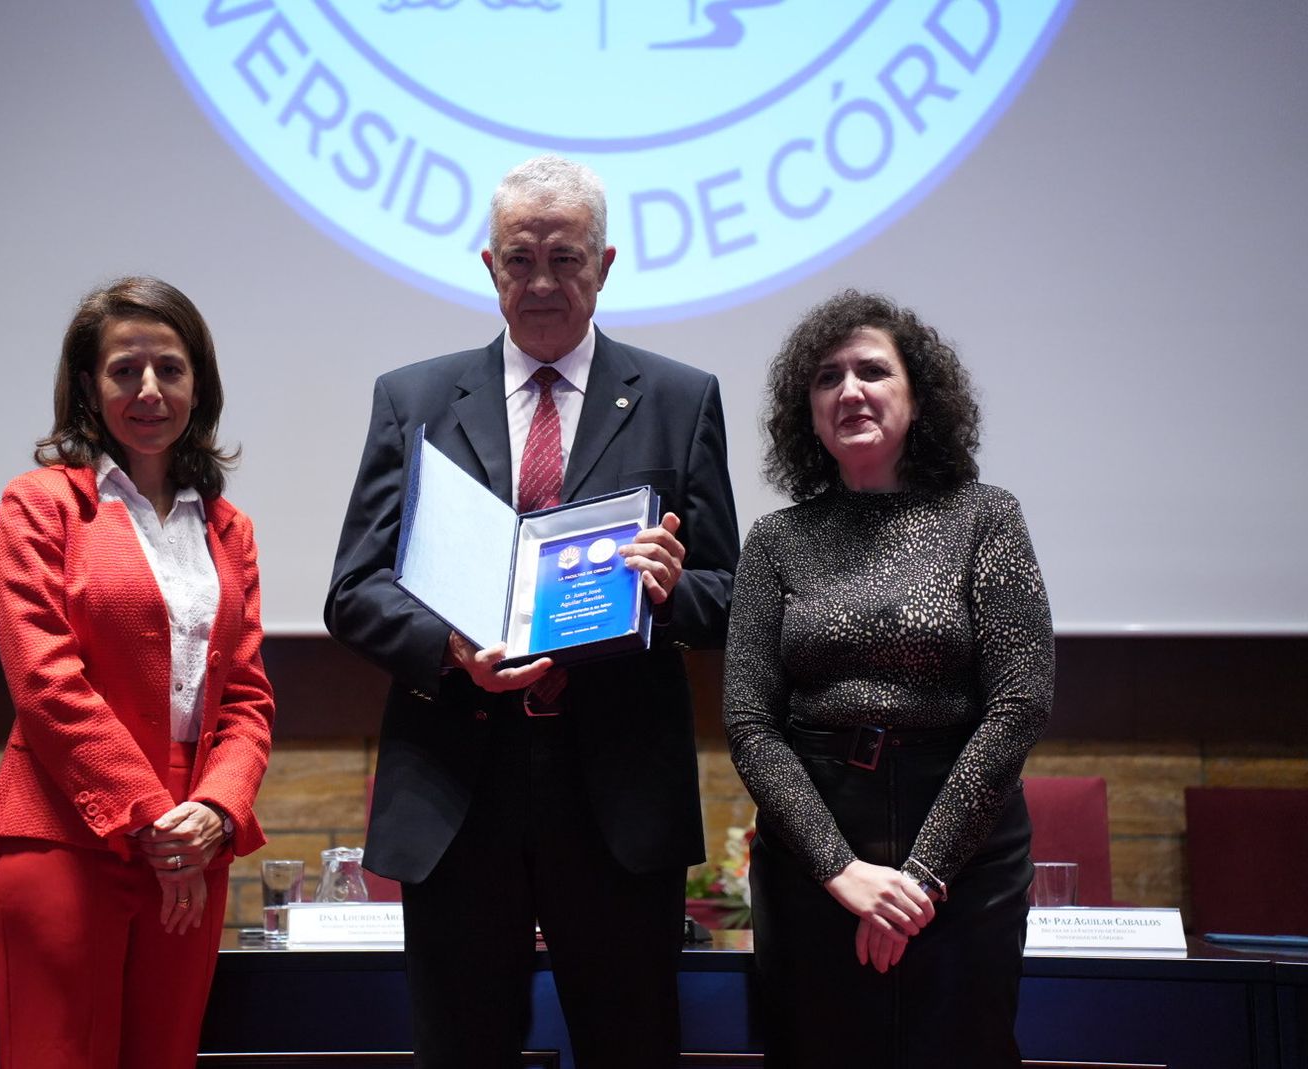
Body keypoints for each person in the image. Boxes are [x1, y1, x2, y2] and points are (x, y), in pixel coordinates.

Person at [325, 154, 739, 1068]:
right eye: (521, 260)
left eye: (566, 258)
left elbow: (728, 596)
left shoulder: (680, 397)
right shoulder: (416, 399)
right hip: (459, 787)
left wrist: (669, 589)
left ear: (606, 264)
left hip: (617, 795)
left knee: (631, 1048)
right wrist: (451, 647)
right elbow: (355, 592)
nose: (543, 281)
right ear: (488, 266)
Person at [723, 290, 1054, 1067]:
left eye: (873, 371)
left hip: (968, 858)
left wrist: (921, 878)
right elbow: (748, 722)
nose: (850, 391)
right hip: (813, 859)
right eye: (827, 378)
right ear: (805, 413)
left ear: (919, 395)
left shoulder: (987, 517)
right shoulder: (775, 541)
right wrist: (841, 869)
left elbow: (1019, 704)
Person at [0, 276, 275, 1069]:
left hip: (192, 845)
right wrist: (149, 819)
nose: (149, 390)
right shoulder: (39, 504)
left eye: (170, 369)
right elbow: (46, 684)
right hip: (65, 836)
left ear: (198, 385)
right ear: (87, 385)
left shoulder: (227, 526)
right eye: (124, 370)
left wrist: (213, 811)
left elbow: (246, 697)